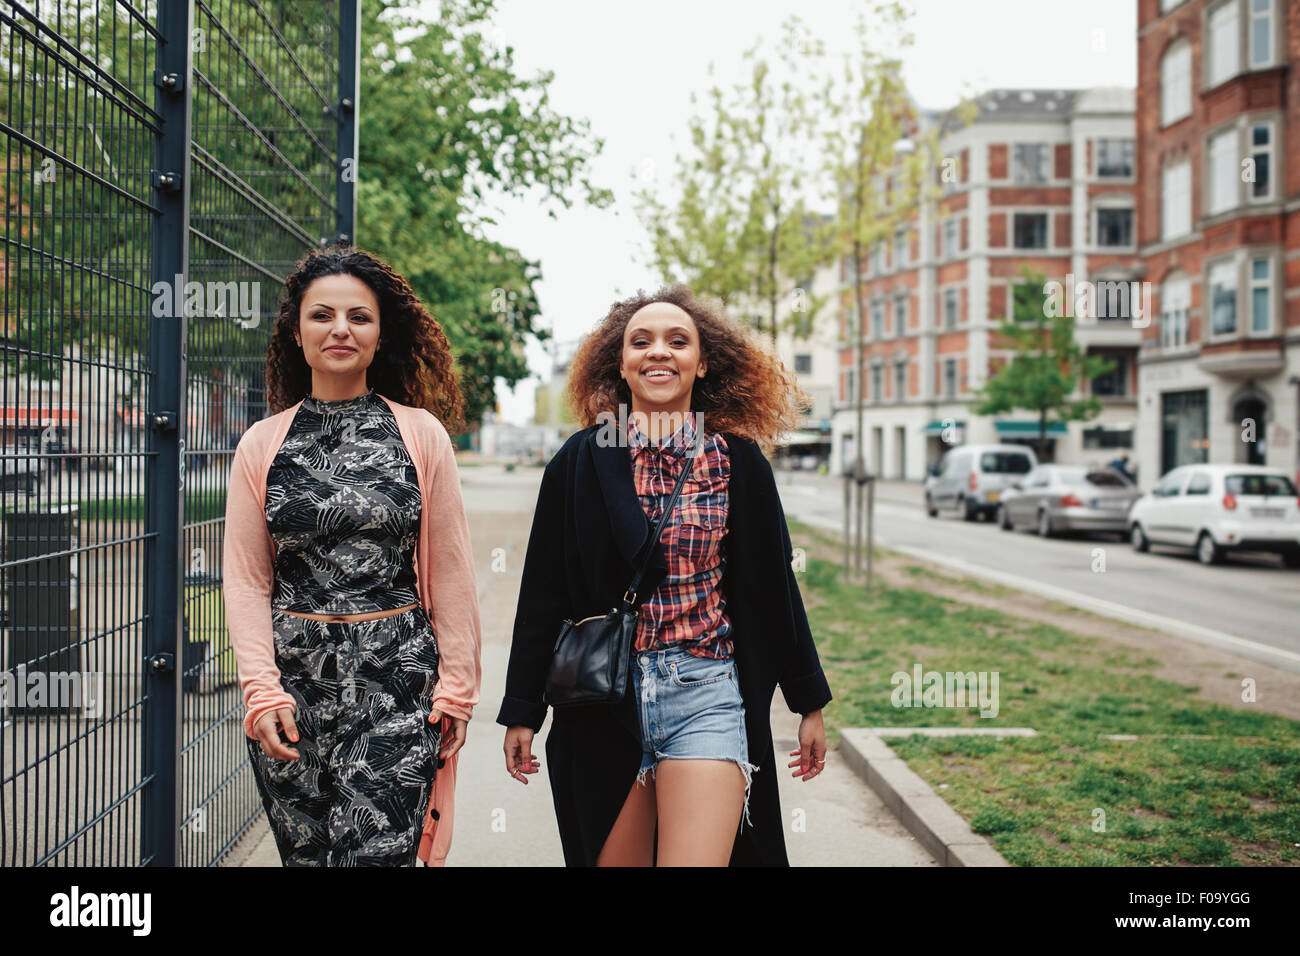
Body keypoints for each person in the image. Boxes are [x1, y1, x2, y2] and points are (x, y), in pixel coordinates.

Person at [499, 284, 832, 866]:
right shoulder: (579, 461)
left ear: (701, 363)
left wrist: (809, 702)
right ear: (620, 364)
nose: (659, 352)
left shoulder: (738, 462)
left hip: (706, 692)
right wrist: (523, 709)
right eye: (641, 341)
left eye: (678, 341)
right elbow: (542, 594)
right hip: (602, 703)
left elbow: (774, 589)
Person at [223, 245, 482, 866]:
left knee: (378, 858)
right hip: (293, 686)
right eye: (322, 315)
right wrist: (263, 692)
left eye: (358, 317)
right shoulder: (262, 444)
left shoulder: (421, 435)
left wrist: (457, 690)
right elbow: (246, 579)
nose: (341, 329)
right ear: (296, 331)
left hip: (398, 681)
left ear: (380, 331)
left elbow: (451, 571)